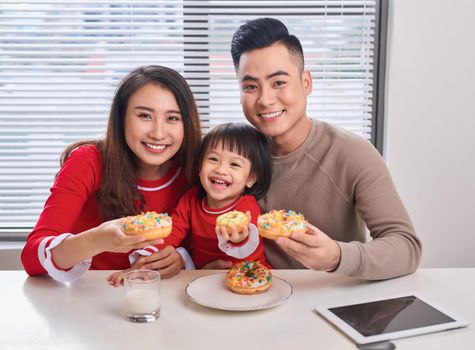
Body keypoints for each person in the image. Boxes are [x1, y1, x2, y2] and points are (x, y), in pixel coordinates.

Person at [228, 18, 422, 280]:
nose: (265, 99)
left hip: (334, 301)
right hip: (255, 300)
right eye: (250, 86)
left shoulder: (352, 153)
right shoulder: (231, 159)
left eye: (279, 82)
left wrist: (337, 256)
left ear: (306, 82)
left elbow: (406, 247)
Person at [21, 65, 202, 282]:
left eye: (172, 118)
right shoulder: (87, 162)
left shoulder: (196, 171)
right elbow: (31, 258)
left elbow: (205, 247)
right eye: (145, 115)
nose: (158, 133)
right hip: (87, 299)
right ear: (121, 118)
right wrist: (98, 239)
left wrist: (182, 258)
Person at [107, 122, 272, 286]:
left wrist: (240, 238)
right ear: (200, 167)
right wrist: (142, 265)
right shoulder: (191, 199)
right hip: (203, 280)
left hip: (250, 279)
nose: (221, 169)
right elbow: (170, 234)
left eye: (234, 164)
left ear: (251, 179)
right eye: (213, 159)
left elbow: (249, 237)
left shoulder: (246, 206)